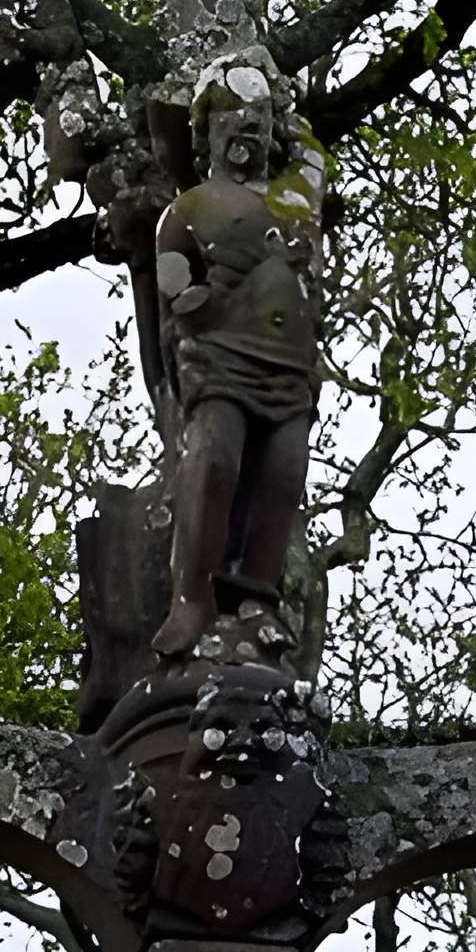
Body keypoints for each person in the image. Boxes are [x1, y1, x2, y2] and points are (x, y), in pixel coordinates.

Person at [152, 52, 325, 657]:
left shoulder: (297, 198)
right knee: (216, 461)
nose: (248, 124)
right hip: (222, 361)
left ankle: (259, 596)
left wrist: (279, 88)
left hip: (289, 368)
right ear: (207, 129)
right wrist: (210, 290)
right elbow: (175, 290)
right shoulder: (189, 209)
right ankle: (192, 597)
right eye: (232, 112)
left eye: (259, 114)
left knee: (284, 476)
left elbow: (309, 151)